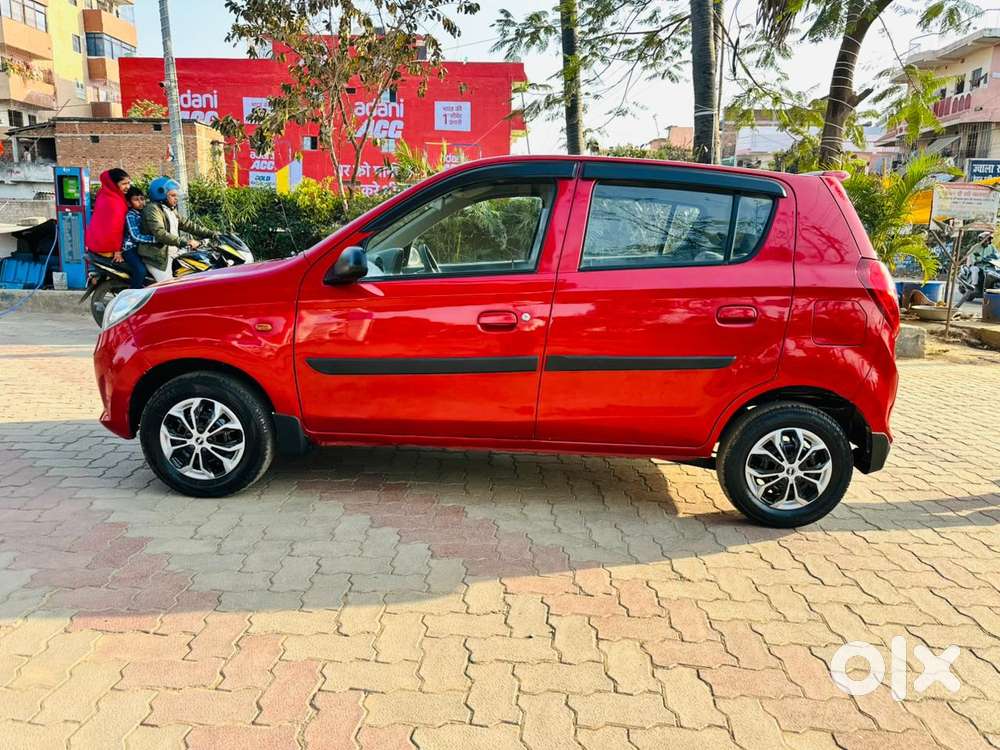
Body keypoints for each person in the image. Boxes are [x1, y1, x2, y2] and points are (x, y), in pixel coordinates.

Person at [138, 177, 219, 274]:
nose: (176, 198)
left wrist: (213, 234)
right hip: (157, 258)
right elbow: (160, 233)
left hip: (172, 254)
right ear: (160, 194)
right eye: (172, 195)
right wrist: (186, 242)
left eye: (176, 195)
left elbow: (188, 225)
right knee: (171, 286)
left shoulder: (170, 209)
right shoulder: (152, 209)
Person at [84, 168, 131, 259]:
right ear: (113, 184)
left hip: (95, 243)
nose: (128, 187)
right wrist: (117, 249)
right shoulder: (114, 202)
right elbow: (115, 228)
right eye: (124, 184)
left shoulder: (104, 194)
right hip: (108, 249)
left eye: (129, 183)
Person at [120, 187, 154, 289]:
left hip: (141, 248)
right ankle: (133, 296)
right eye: (136, 199)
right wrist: (154, 239)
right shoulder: (130, 215)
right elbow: (136, 236)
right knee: (141, 270)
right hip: (130, 249)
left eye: (142, 199)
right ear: (129, 203)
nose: (140, 202)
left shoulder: (144, 213)